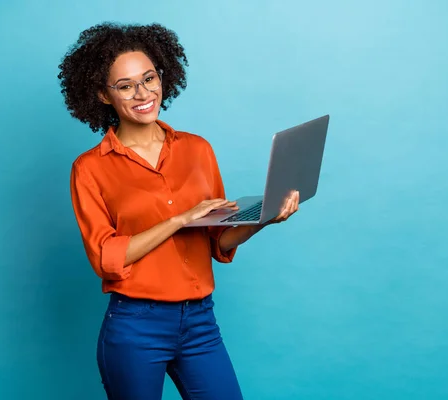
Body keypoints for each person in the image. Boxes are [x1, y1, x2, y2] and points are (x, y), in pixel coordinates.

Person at [58, 22, 300, 400]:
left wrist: (263, 218)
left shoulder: (197, 149)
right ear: (103, 95)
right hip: (135, 326)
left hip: (200, 322)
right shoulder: (90, 168)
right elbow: (107, 259)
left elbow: (219, 241)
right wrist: (178, 219)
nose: (143, 93)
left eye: (149, 78)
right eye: (125, 86)